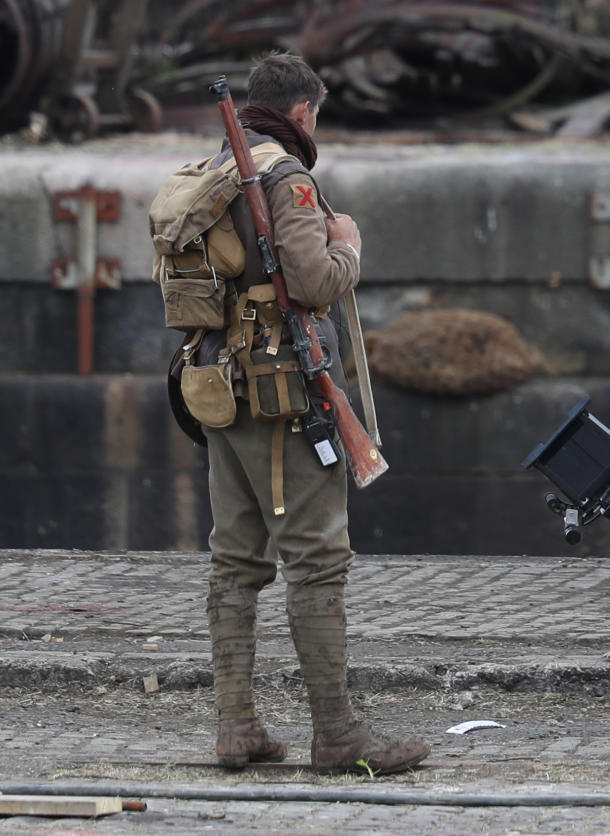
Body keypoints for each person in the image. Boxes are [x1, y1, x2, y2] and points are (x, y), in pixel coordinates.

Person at [194, 52, 429, 774]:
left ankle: (237, 726)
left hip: (219, 386)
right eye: (317, 116)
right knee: (318, 561)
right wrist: (349, 247)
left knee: (235, 561)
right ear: (304, 114)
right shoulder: (285, 177)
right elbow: (312, 279)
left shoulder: (212, 172)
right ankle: (339, 735)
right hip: (285, 392)